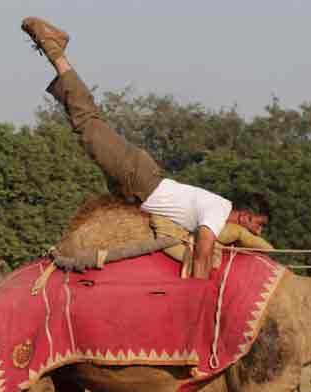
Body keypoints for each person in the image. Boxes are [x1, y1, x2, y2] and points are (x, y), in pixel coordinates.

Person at [20, 16, 273, 279]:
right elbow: (204, 249)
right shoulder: (218, 210)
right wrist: (198, 289)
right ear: (245, 217)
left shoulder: (217, 217)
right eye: (259, 225)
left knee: (86, 124)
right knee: (87, 123)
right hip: (137, 176)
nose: (258, 232)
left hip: (133, 190)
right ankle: (55, 50)